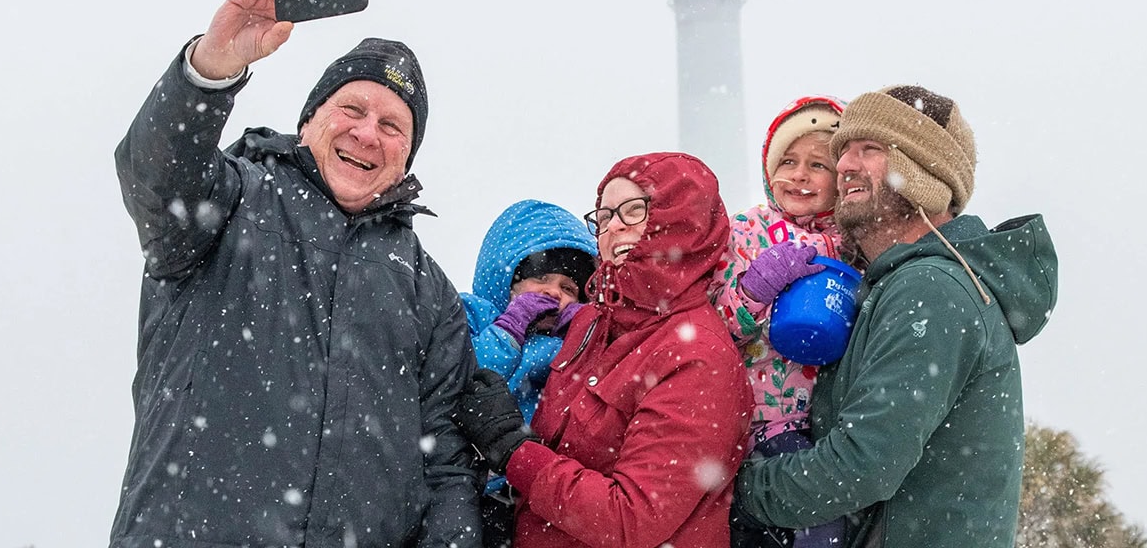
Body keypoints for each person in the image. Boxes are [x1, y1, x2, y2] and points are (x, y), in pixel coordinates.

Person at [110, 0, 479, 548]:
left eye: (391, 125)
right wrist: (209, 70)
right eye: (352, 110)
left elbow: (447, 467)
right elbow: (158, 179)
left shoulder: (428, 293)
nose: (366, 133)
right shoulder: (232, 199)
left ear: (406, 159)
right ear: (308, 121)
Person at [733, 86, 1059, 548]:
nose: (844, 164)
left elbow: (860, 465)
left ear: (923, 171)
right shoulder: (891, 286)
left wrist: (736, 491)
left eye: (869, 150)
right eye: (843, 150)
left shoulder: (931, 290)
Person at [454, 152, 754, 548]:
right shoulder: (592, 324)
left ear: (683, 223)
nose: (613, 228)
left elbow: (633, 518)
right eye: (604, 216)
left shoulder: (698, 355)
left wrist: (512, 450)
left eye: (633, 210)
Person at [710, 96, 849, 548]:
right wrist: (756, 287)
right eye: (788, 161)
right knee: (817, 523)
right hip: (760, 418)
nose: (800, 175)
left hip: (825, 421)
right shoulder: (746, 230)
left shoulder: (853, 243)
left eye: (818, 165)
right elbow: (717, 327)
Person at [460, 199, 599, 548]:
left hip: (535, 491)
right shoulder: (473, 316)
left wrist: (582, 333)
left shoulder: (572, 345)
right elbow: (468, 380)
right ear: (506, 278)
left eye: (569, 288)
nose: (554, 292)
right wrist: (509, 330)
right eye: (541, 277)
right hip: (471, 486)